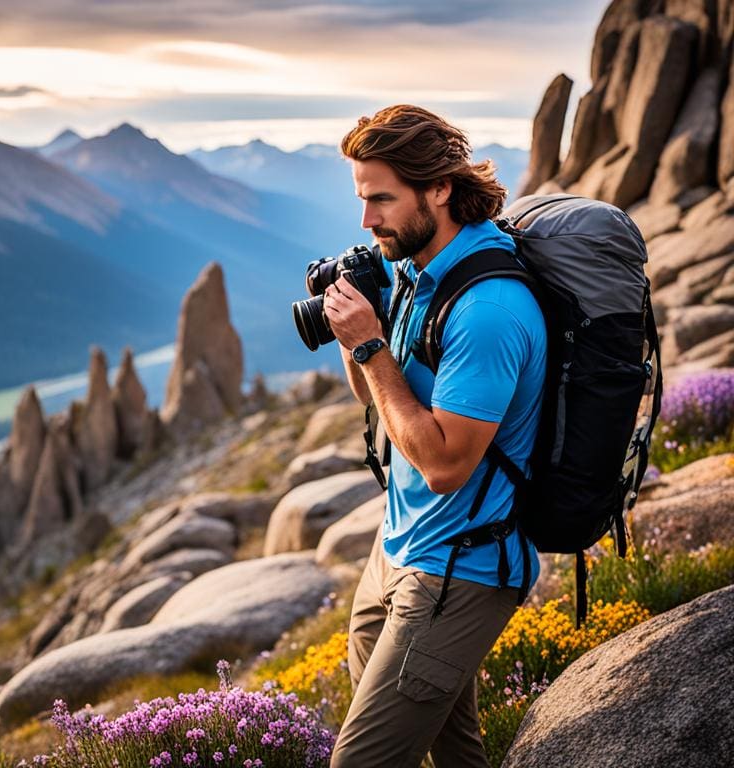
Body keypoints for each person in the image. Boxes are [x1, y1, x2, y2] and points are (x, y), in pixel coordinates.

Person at [324, 105, 546, 768]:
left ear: (440, 189)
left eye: (382, 200)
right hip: (399, 546)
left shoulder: (488, 308)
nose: (368, 221)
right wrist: (356, 328)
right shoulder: (419, 270)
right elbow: (376, 396)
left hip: (461, 568)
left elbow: (447, 463)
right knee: (456, 754)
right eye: (363, 200)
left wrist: (369, 342)